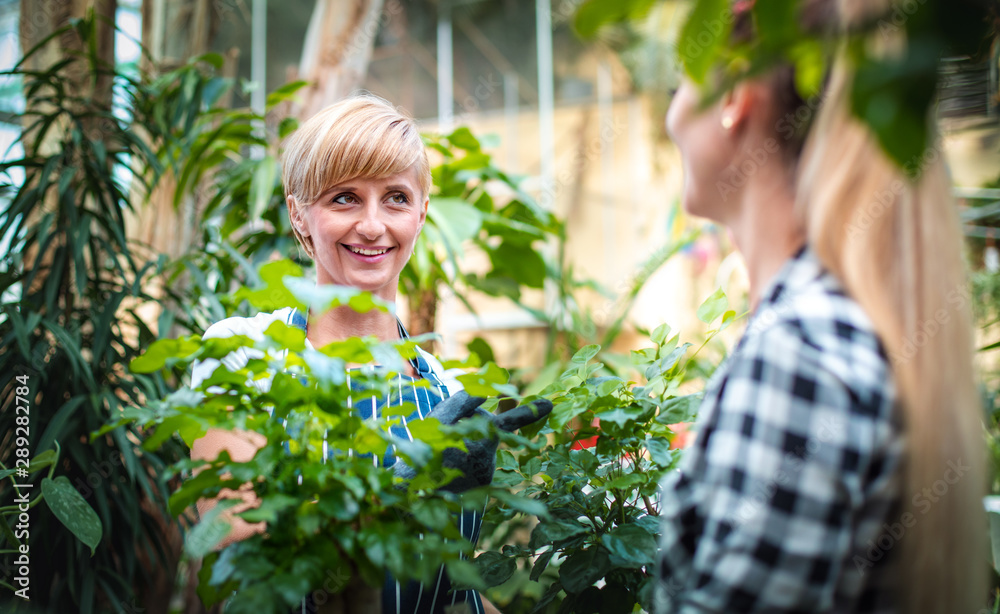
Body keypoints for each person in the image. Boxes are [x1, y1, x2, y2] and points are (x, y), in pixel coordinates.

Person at [656, 1, 986, 612]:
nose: (671, 114)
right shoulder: (833, 325)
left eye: (684, 72)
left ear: (735, 91)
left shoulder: (798, 352)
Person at [189, 94, 507, 614]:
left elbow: (451, 593)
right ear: (298, 214)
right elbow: (236, 536)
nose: (373, 225)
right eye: (344, 198)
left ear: (422, 214)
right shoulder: (244, 356)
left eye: (397, 198)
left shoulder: (447, 395)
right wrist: (400, 501)